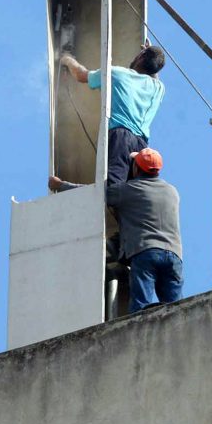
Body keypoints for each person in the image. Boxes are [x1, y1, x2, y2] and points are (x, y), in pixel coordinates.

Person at [50, 147, 183, 313]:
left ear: (136, 168)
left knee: (140, 311)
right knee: (177, 310)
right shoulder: (172, 191)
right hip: (174, 256)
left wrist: (60, 185)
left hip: (146, 252)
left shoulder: (128, 190)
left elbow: (94, 194)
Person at [60, 45, 166, 184]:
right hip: (142, 146)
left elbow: (81, 75)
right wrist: (151, 55)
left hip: (121, 136)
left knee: (113, 185)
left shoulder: (117, 74)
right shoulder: (159, 89)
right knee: (131, 189)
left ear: (141, 57)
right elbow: (154, 71)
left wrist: (67, 59)